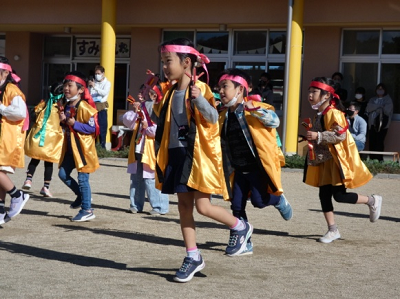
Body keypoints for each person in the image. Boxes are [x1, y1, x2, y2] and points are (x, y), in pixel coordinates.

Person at [152, 37, 253, 283]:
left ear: (186, 62)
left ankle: (240, 226)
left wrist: (197, 98)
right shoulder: (169, 92)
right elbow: (163, 124)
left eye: (168, 62)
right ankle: (193, 255)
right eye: (163, 62)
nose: (164, 67)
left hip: (195, 156)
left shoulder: (202, 89)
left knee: (203, 207)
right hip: (176, 154)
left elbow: (211, 119)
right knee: (184, 207)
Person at [217, 68, 293, 255]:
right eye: (219, 87)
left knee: (259, 202)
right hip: (236, 169)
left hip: (256, 168)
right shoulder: (222, 114)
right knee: (236, 206)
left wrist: (256, 110)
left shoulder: (255, 108)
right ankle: (244, 241)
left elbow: (274, 121)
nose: (220, 91)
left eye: (224, 87)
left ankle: (278, 199)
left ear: (240, 90)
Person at [303, 77, 382, 244]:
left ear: (326, 96)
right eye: (309, 91)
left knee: (339, 196)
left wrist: (318, 135)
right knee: (323, 195)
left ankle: (372, 200)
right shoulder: (321, 113)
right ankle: (333, 230)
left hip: (335, 162)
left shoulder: (333, 113)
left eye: (314, 92)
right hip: (324, 161)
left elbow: (341, 135)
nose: (310, 95)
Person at [58, 71, 100, 222]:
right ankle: (82, 196)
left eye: (70, 86)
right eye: (65, 85)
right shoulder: (67, 105)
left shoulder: (85, 107)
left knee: (83, 179)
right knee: (62, 174)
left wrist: (72, 123)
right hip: (71, 149)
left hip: (83, 149)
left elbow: (93, 129)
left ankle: (87, 209)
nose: (66, 88)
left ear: (81, 89)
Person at [123, 83, 169, 215]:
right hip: (138, 147)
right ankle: (136, 204)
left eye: (145, 92)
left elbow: (162, 131)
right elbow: (128, 122)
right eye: (141, 91)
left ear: (155, 95)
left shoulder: (160, 109)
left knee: (152, 178)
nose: (140, 94)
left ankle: (159, 206)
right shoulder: (141, 108)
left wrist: (147, 126)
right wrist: (136, 113)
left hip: (153, 149)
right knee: (136, 178)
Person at [0, 56, 30, 225]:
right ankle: (0, 210)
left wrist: (1, 108)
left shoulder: (12, 90)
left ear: (5, 72)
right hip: (2, 136)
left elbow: (19, 113)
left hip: (8, 137)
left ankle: (17, 195)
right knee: (0, 174)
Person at [23, 82, 64, 197]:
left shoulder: (43, 103)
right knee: (49, 163)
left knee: (35, 159)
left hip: (39, 136)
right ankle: (46, 187)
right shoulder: (61, 108)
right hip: (52, 139)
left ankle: (28, 179)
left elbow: (34, 114)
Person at [366, 83, 394, 161]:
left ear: (385, 90)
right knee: (372, 141)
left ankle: (379, 159)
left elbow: (387, 111)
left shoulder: (388, 99)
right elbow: (369, 108)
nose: (380, 91)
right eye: (378, 89)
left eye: (382, 89)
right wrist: (380, 106)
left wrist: (375, 107)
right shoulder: (372, 99)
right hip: (372, 124)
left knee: (379, 141)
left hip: (383, 125)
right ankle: (372, 159)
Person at [88, 65, 111, 148]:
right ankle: (92, 146)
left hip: (101, 107)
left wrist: (95, 87)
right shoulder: (93, 82)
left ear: (103, 74)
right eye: (96, 73)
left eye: (98, 73)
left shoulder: (107, 83)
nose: (97, 75)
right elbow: (89, 94)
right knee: (92, 126)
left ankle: (102, 146)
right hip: (92, 107)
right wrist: (91, 86)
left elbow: (104, 93)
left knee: (102, 127)